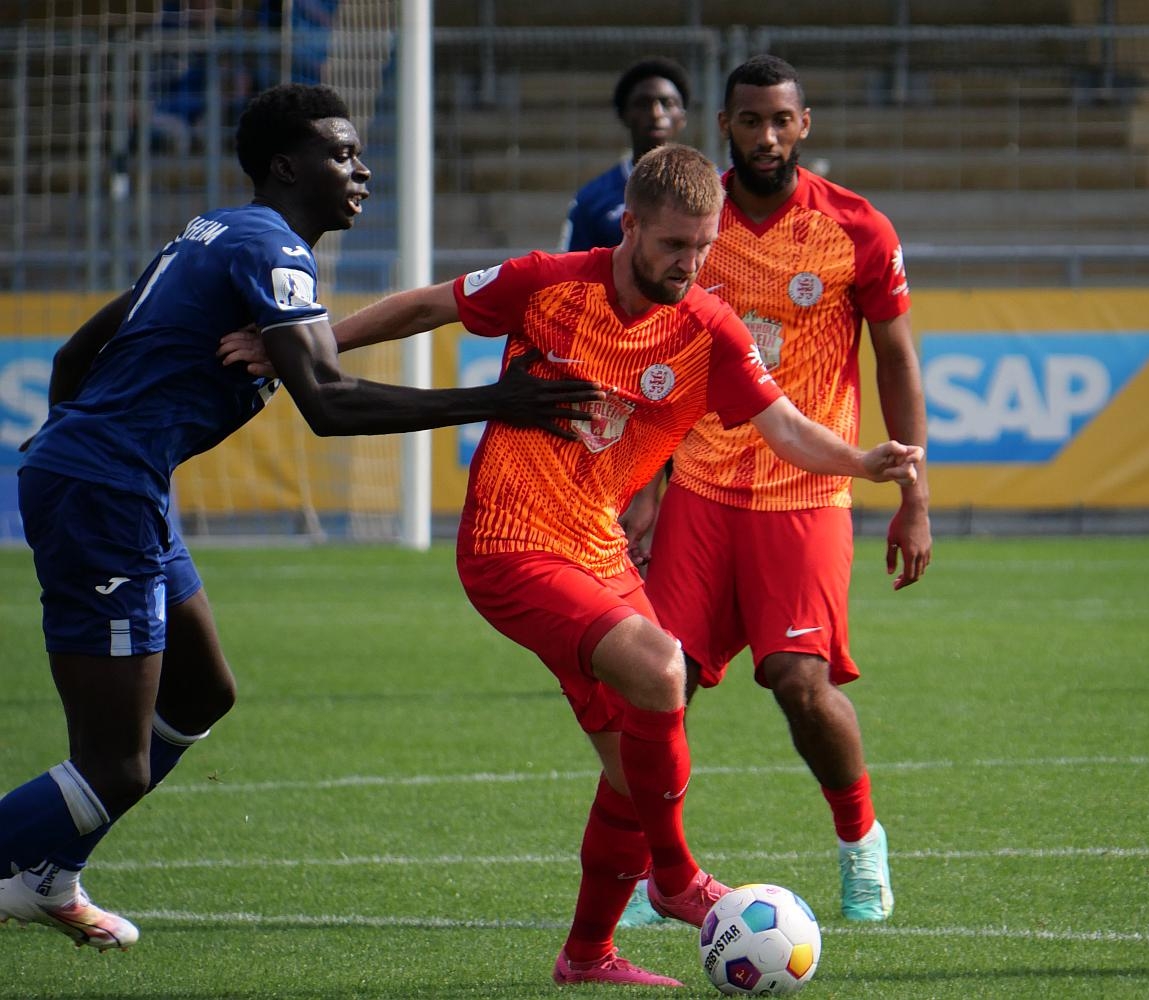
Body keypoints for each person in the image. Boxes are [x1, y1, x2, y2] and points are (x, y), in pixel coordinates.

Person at [223, 142, 923, 987]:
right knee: (662, 668)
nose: (690, 263)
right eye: (674, 245)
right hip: (510, 541)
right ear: (630, 226)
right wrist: (306, 347)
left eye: (703, 247)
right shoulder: (547, 282)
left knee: (633, 770)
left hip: (597, 548)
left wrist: (863, 462)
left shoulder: (709, 328)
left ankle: (588, 955)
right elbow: (427, 306)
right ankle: (676, 878)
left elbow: (784, 427)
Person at [0, 82, 598, 953]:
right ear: (287, 166)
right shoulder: (271, 248)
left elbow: (75, 352)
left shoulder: (215, 233)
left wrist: (75, 440)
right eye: (341, 154)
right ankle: (34, 865)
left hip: (120, 486)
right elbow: (329, 402)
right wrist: (494, 401)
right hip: (105, 494)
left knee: (203, 692)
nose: (362, 170)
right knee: (114, 766)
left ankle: (47, 876)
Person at [617, 54, 929, 927]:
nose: (765, 136)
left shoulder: (856, 229)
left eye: (781, 120)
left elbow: (898, 360)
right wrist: (643, 484)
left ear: (804, 125)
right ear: (724, 126)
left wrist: (915, 496)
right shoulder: (692, 223)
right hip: (701, 485)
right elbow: (651, 352)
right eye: (750, 121)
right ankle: (657, 873)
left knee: (799, 682)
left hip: (807, 491)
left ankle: (860, 843)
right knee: (660, 682)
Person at [559, 57, 691, 252]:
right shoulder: (591, 199)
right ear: (624, 114)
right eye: (643, 103)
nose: (656, 113)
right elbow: (573, 266)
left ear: (682, 116)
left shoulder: (719, 189)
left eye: (667, 103)